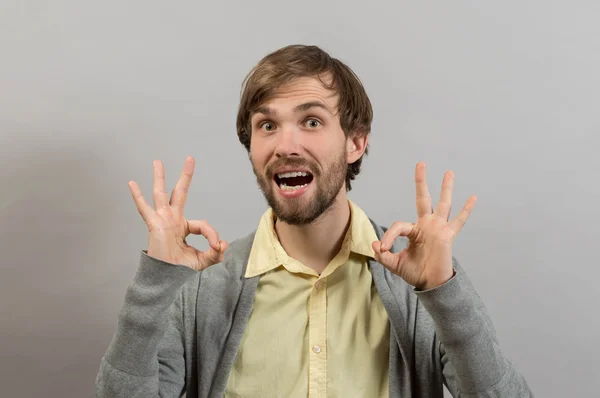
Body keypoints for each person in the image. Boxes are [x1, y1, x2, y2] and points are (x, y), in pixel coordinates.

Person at [94, 44, 532, 397]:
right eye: (267, 125)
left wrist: (443, 292)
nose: (285, 144)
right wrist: (154, 286)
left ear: (355, 143)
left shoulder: (422, 284)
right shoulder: (200, 290)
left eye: (311, 121)